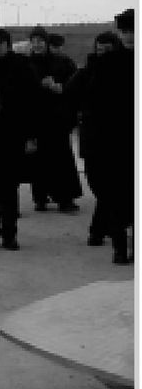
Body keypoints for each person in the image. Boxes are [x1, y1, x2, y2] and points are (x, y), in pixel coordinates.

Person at [67, 30, 134, 263]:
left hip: (121, 141)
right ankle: (109, 235)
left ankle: (119, 246)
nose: (103, 53)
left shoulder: (127, 70)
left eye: (108, 49)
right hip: (96, 141)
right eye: (99, 49)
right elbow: (71, 93)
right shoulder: (89, 71)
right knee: (103, 189)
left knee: (119, 194)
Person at [0, 28, 39, 250]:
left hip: (12, 135)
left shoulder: (22, 67)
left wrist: (31, 136)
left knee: (8, 189)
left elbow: (33, 103)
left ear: (7, 45)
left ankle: (9, 235)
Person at [26, 27, 82, 213]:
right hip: (36, 117)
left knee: (61, 158)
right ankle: (40, 198)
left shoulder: (62, 62)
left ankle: (65, 198)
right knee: (38, 159)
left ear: (46, 43)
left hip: (57, 117)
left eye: (40, 41)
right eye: (34, 41)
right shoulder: (26, 64)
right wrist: (37, 86)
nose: (37, 44)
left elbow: (75, 84)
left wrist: (59, 87)